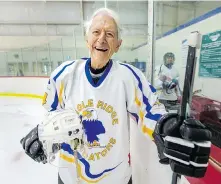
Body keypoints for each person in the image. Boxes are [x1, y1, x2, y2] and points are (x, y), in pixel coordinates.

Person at [20, 8, 211, 184]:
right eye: (96, 32)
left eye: (109, 34)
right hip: (70, 176)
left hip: (115, 178)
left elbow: (150, 111)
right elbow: (51, 115)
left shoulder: (129, 76)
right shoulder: (63, 75)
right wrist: (42, 135)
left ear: (118, 45)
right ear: (87, 39)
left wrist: (168, 127)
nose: (102, 39)